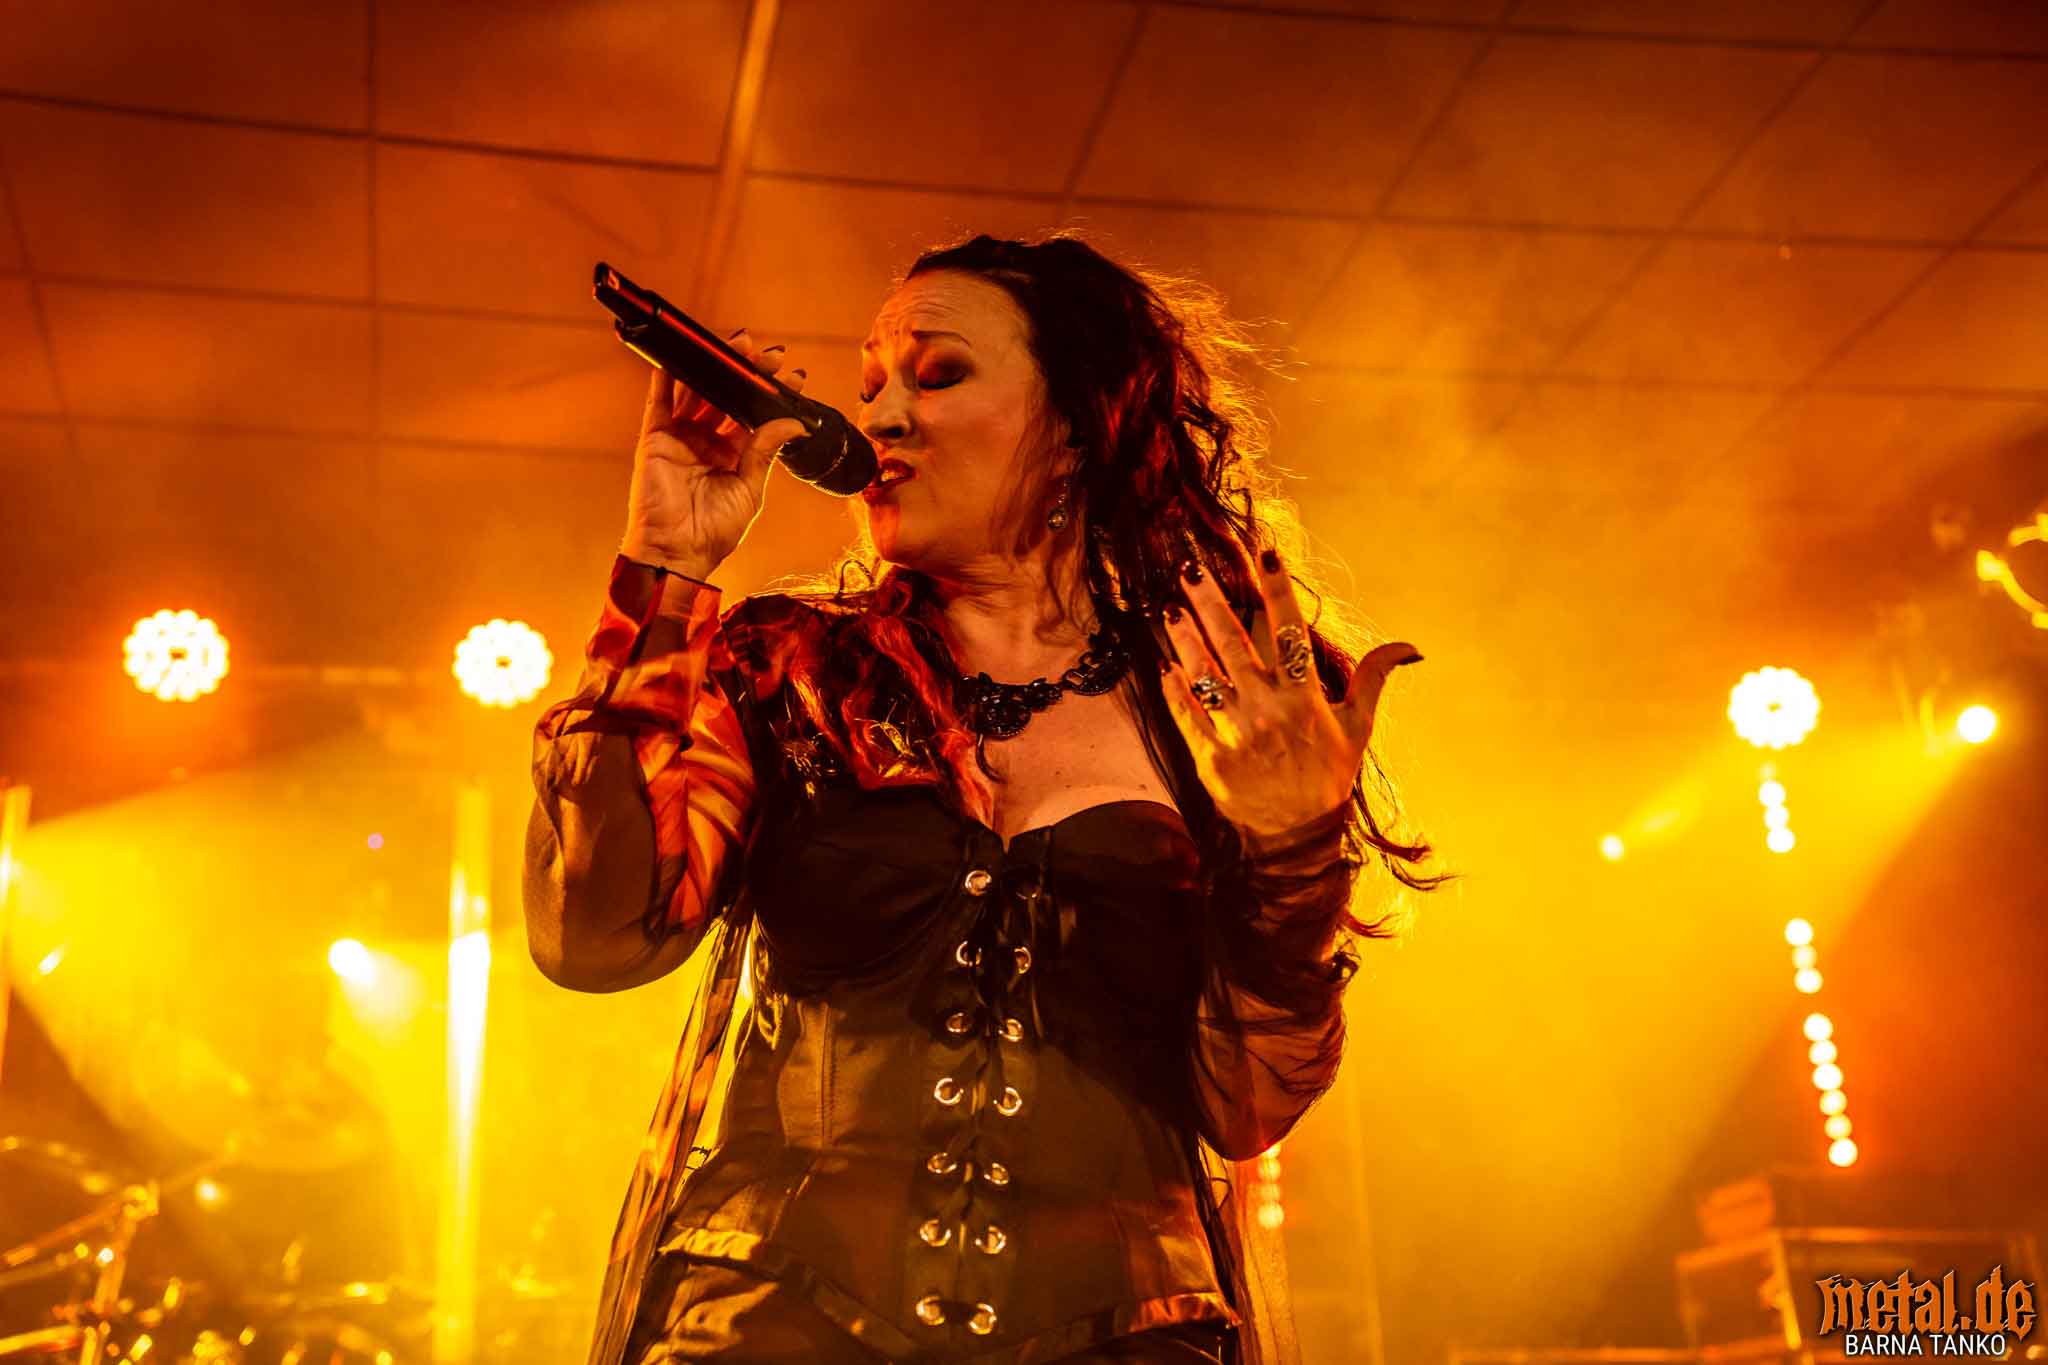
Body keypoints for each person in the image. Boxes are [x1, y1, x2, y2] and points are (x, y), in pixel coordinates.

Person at [523, 233, 1446, 1365]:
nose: (881, 419)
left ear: (1077, 426)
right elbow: (592, 936)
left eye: (938, 375)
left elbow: (1247, 1105)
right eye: (872, 387)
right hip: (772, 1325)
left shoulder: (1217, 702)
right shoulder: (791, 672)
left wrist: (1291, 846)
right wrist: (661, 570)